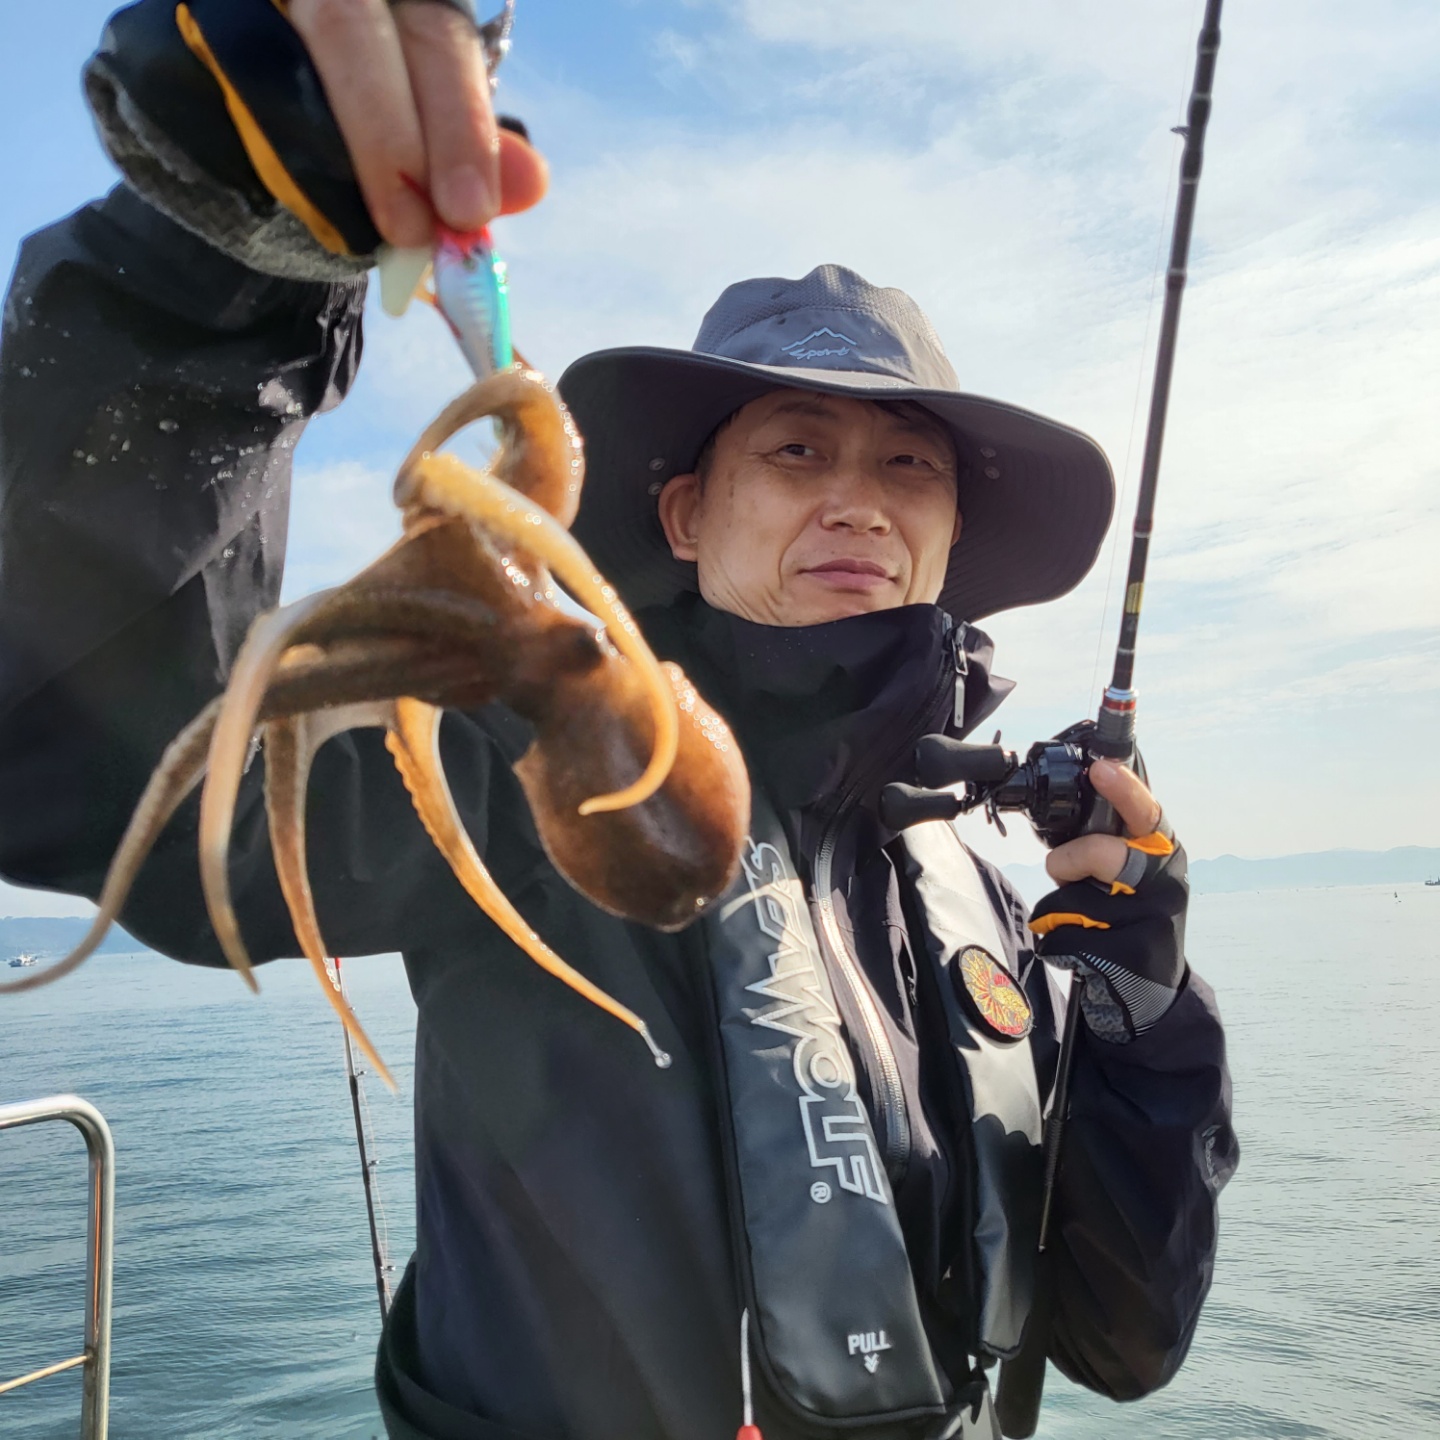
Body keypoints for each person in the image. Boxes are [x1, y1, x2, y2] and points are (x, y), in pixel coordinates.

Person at [0, 3, 1238, 1437]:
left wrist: (1143, 1003)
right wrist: (215, 275)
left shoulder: (971, 892)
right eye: (796, 449)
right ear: (686, 516)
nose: (858, 500)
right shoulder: (536, 762)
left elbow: (1123, 1340)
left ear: (953, 535)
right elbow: (92, 763)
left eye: (911, 465)